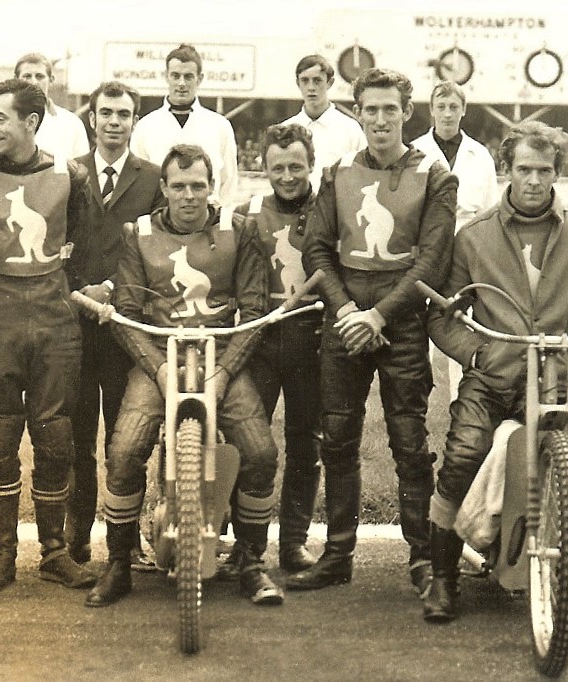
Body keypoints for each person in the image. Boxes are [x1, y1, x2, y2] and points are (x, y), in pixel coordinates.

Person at [424, 121, 568, 625]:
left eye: (544, 170)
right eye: (523, 169)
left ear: (558, 172)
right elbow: (441, 316)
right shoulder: (472, 238)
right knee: (462, 456)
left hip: (560, 377)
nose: (533, 180)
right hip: (491, 378)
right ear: (506, 170)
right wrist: (476, 355)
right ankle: (443, 579)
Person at [85, 144, 282, 608]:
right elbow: (128, 314)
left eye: (198, 185)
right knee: (125, 450)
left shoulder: (240, 230)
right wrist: (156, 371)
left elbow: (254, 311)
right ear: (164, 188)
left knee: (260, 451)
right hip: (160, 357)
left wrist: (225, 372)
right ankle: (118, 560)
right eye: (179, 186)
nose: (189, 196)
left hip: (219, 358)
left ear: (212, 187)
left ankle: (250, 559)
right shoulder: (139, 233)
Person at [291, 68, 458, 596]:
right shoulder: (338, 171)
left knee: (409, 441)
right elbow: (318, 247)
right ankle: (338, 553)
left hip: (402, 320)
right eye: (371, 109)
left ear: (408, 113)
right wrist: (346, 311)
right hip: (345, 321)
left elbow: (432, 260)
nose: (381, 119)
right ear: (357, 111)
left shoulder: (435, 173)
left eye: (391, 109)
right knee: (337, 438)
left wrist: (379, 315)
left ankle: (423, 557)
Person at [0, 78, 96, 594]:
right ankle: (3, 553)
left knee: (56, 436)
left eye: (1, 119)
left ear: (32, 122)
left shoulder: (71, 174)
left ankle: (53, 550)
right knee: (1, 434)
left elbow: (85, 246)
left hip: (54, 319)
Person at [64, 80, 164, 566]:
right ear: (92, 118)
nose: (114, 122)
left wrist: (115, 290)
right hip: (75, 326)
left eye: (124, 114)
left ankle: (125, 543)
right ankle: (76, 537)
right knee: (77, 438)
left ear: (134, 121)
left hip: (126, 327)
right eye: (106, 113)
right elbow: (57, 244)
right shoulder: (67, 174)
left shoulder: (152, 178)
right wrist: (82, 290)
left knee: (126, 440)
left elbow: (158, 251)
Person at [233, 123, 323, 573]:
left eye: (296, 166)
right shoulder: (247, 211)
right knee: (250, 442)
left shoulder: (328, 210)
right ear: (263, 167)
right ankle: (245, 543)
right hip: (262, 339)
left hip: (311, 338)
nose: (287, 176)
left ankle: (293, 541)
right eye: (278, 167)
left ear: (311, 164)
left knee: (306, 444)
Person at [411, 80, 500, 401]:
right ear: (431, 110)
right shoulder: (414, 152)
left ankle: (462, 403)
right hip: (425, 250)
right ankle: (416, 400)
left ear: (463, 111)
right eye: (441, 107)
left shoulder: (481, 155)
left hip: (467, 252)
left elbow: (491, 213)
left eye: (453, 107)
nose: (447, 114)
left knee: (462, 326)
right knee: (418, 332)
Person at [130, 44, 239, 204]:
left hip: (208, 219)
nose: (181, 83)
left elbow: (229, 181)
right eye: (175, 76)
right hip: (160, 217)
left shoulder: (219, 125)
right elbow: (138, 182)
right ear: (166, 76)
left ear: (199, 78)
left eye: (188, 76)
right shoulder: (145, 126)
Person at [0, 52, 90, 160]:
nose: (33, 82)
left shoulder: (72, 123)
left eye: (39, 76)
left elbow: (82, 169)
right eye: (27, 76)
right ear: (16, 79)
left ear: (51, 80)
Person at [280, 54, 365, 190]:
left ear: (329, 83)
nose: (311, 87)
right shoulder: (284, 129)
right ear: (298, 83)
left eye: (317, 80)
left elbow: (362, 176)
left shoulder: (350, 129)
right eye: (305, 81)